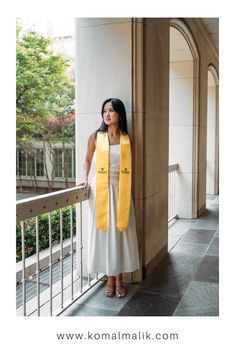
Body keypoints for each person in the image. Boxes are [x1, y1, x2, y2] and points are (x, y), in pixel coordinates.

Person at [80, 98, 140, 298]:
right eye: (104, 110)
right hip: (100, 191)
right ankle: (109, 278)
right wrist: (85, 178)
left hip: (120, 190)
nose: (107, 114)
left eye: (111, 110)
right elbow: (87, 159)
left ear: (119, 114)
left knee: (120, 234)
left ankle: (119, 279)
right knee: (104, 234)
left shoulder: (127, 138)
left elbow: (132, 166)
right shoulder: (95, 137)